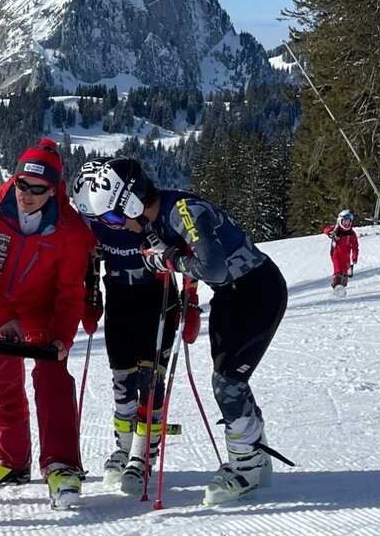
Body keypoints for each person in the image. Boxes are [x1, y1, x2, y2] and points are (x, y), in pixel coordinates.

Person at [72, 157, 289, 506]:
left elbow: (213, 267)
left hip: (257, 292)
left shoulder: (183, 211)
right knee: (230, 380)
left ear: (131, 202)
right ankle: (255, 458)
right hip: (232, 296)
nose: (117, 226)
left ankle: (245, 468)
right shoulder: (158, 215)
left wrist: (170, 260)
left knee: (227, 384)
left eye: (115, 216)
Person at [0, 138, 94, 511]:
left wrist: (61, 336)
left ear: (53, 190)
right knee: (3, 388)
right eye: (22, 184)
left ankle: (61, 464)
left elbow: (70, 290)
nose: (27, 194)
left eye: (39, 189)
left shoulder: (68, 228)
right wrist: (3, 317)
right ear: (14, 178)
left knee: (52, 385)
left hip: (45, 315)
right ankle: (11, 460)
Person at [68, 156, 189, 496]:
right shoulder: (95, 221)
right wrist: (90, 298)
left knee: (151, 381)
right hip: (120, 296)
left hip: (157, 297)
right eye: (95, 216)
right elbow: (91, 259)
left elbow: (188, 251)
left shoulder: (141, 213)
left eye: (108, 214)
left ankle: (143, 455)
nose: (107, 222)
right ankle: (123, 447)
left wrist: (191, 303)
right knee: (122, 378)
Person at [325, 210, 359, 293]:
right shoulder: (336, 229)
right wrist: (330, 232)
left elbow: (355, 246)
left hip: (346, 256)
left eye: (348, 222)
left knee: (345, 273)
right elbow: (326, 229)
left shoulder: (351, 233)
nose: (347, 224)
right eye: (345, 222)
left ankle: (342, 288)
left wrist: (354, 257)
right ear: (340, 221)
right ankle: (335, 285)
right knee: (338, 271)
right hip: (336, 254)